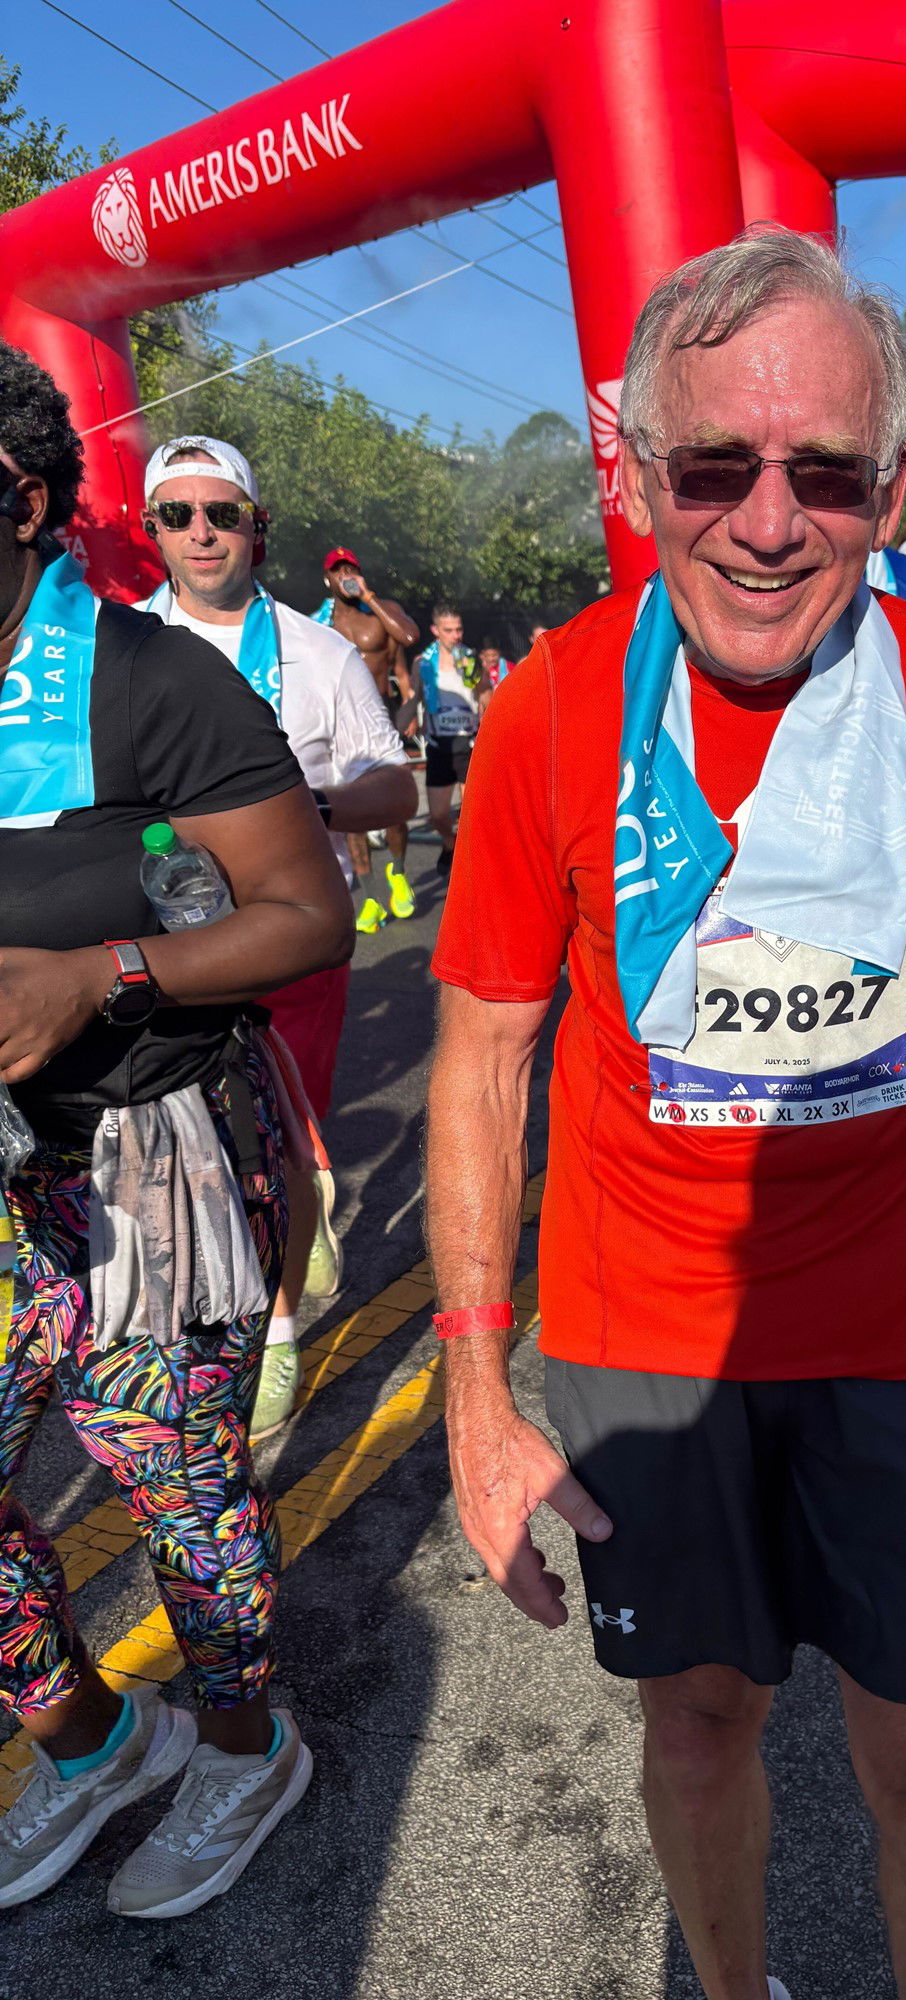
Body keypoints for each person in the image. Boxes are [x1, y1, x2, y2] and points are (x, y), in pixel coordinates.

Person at [427, 227, 906, 2000]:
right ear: (634, 473)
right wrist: (474, 1390)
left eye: (824, 473)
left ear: (889, 490)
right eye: (715, 468)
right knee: (697, 1727)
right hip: (646, 1337)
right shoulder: (549, 708)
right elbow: (482, 1058)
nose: (769, 523)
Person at [0, 345, 352, 1914]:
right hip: (6, 1173)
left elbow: (308, 914)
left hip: (154, 1157)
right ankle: (89, 1745)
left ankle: (244, 1746)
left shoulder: (151, 679)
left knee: (179, 1491)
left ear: (22, 502)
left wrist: (102, 973)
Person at [137, 438, 417, 1440]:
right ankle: (202, 1315)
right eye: (178, 514)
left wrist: (303, 809)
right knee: (174, 1149)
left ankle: (284, 1323)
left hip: (290, 937)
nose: (202, 532)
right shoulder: (117, 648)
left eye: (222, 512)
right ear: (151, 529)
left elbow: (396, 787)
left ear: (256, 526)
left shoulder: (320, 651)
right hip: (162, 942)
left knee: (280, 1145)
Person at [319, 549, 422, 932]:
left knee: (392, 808)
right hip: (339, 726)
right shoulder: (318, 626)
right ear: (327, 579)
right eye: (338, 570)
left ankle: (398, 871)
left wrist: (368, 596)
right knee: (351, 817)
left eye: (351, 568)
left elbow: (409, 636)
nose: (345, 574)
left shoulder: (380, 611)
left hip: (380, 722)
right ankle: (371, 900)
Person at [415, 603, 483, 879]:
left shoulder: (471, 658)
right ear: (435, 630)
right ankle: (449, 843)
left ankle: (469, 865)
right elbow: (415, 697)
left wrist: (475, 676)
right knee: (439, 816)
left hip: (468, 743)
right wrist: (404, 719)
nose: (456, 635)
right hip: (439, 745)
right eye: (449, 630)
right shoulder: (423, 662)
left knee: (471, 815)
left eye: (459, 629)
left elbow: (487, 696)